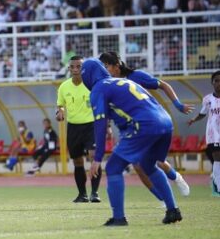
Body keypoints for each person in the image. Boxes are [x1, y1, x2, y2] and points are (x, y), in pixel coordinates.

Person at [82, 59, 182, 226]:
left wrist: (97, 158)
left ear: (88, 76)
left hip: (144, 124)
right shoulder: (124, 81)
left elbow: (100, 123)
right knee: (148, 165)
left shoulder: (98, 88)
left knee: (113, 167)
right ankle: (173, 210)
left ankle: (119, 218)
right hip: (165, 122)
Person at [98, 51, 192, 197]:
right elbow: (107, 108)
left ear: (116, 66)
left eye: (106, 66)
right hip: (129, 129)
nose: (103, 70)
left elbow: (163, 85)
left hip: (148, 124)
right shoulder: (107, 85)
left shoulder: (136, 76)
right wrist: (108, 127)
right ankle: (162, 198)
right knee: (138, 165)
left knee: (156, 162)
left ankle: (176, 177)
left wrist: (178, 104)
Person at [56, 56, 102, 203]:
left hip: (91, 126)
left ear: (83, 68)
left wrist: (106, 126)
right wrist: (60, 111)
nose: (75, 69)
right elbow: (60, 105)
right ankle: (82, 194)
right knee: (77, 161)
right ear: (69, 69)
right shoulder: (64, 87)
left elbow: (101, 105)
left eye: (79, 66)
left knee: (94, 157)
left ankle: (95, 193)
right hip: (73, 127)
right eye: (72, 67)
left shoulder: (92, 85)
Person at [187, 70, 220, 197]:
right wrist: (193, 119)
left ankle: (215, 180)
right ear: (212, 83)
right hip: (213, 133)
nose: (219, 83)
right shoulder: (208, 99)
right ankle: (218, 186)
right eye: (216, 81)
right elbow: (203, 113)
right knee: (217, 157)